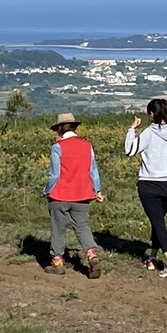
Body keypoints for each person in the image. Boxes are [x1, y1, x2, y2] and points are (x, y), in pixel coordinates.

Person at [125, 98, 167, 277]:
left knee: (158, 223)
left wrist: (132, 129)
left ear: (152, 114)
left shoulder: (148, 133)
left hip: (150, 186)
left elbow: (130, 150)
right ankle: (152, 258)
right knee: (157, 220)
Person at [43, 112, 104, 278]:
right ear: (74, 128)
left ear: (60, 129)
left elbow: (55, 175)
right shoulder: (87, 145)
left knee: (58, 229)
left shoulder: (57, 147)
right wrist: (97, 190)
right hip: (82, 194)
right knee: (82, 226)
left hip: (60, 194)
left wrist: (47, 190)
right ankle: (92, 255)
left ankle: (57, 262)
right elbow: (93, 171)